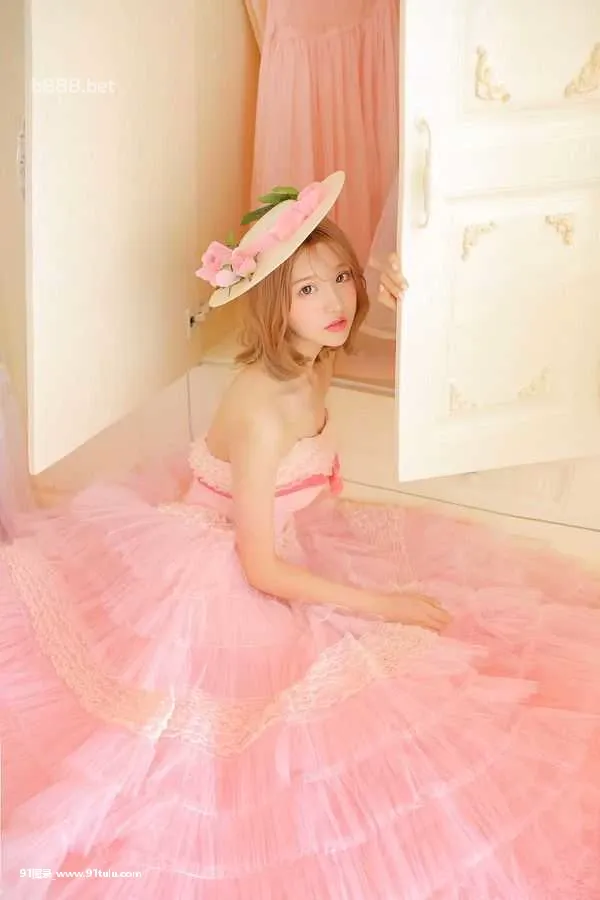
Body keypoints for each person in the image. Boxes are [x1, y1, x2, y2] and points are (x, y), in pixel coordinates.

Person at [2, 171, 600, 899]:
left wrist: (403, 298)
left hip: (279, 536)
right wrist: (384, 606)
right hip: (227, 566)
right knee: (307, 715)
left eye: (342, 277)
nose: (336, 302)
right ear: (273, 304)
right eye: (308, 289)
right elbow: (259, 570)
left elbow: (397, 348)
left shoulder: (314, 355)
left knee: (437, 639)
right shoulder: (262, 412)